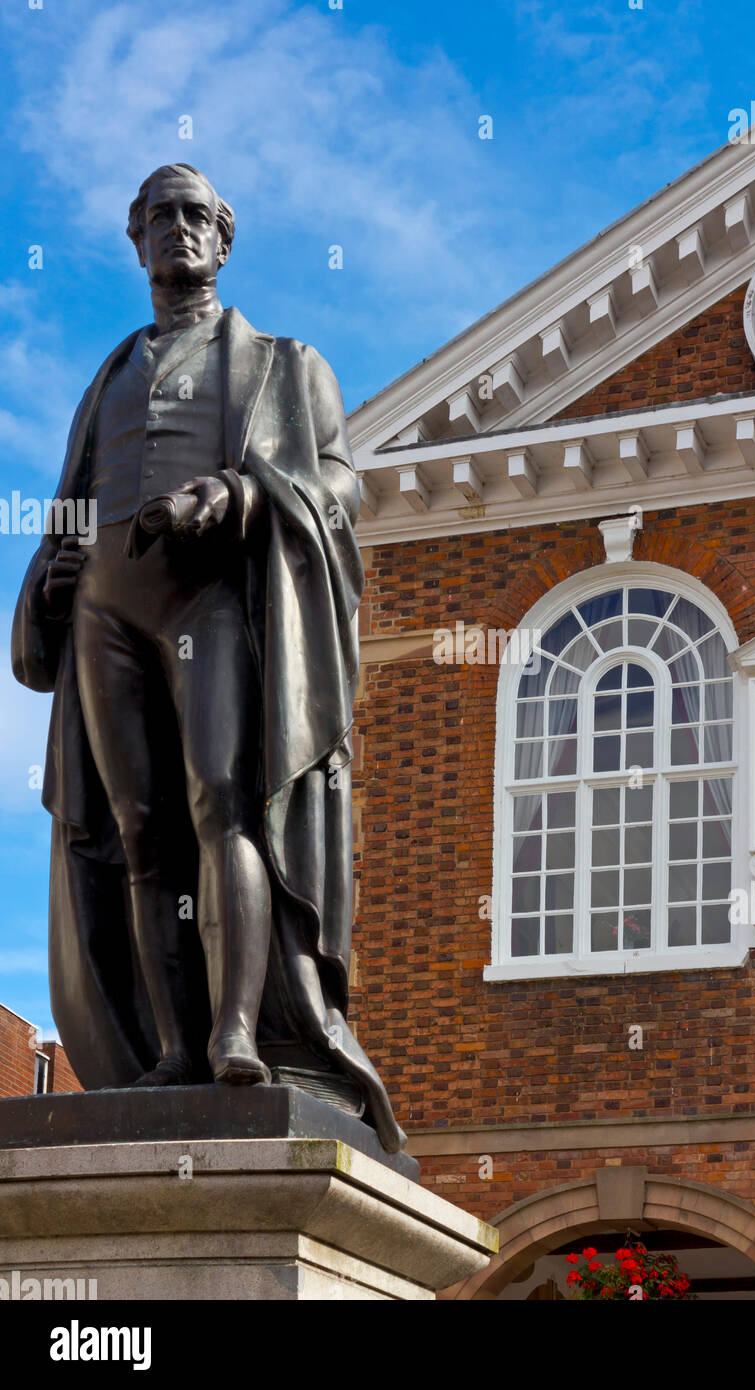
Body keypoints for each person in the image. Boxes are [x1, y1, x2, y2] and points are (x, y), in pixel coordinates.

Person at [11, 163, 406, 1153]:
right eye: (160, 218)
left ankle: (239, 1028)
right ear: (135, 239)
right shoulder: (107, 376)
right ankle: (177, 1049)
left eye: (196, 216)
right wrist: (50, 567)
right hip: (104, 606)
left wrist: (238, 498)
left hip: (210, 594)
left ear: (223, 240)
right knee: (139, 833)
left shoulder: (283, 362)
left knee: (220, 799)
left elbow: (340, 486)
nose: (178, 231)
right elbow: (69, 494)